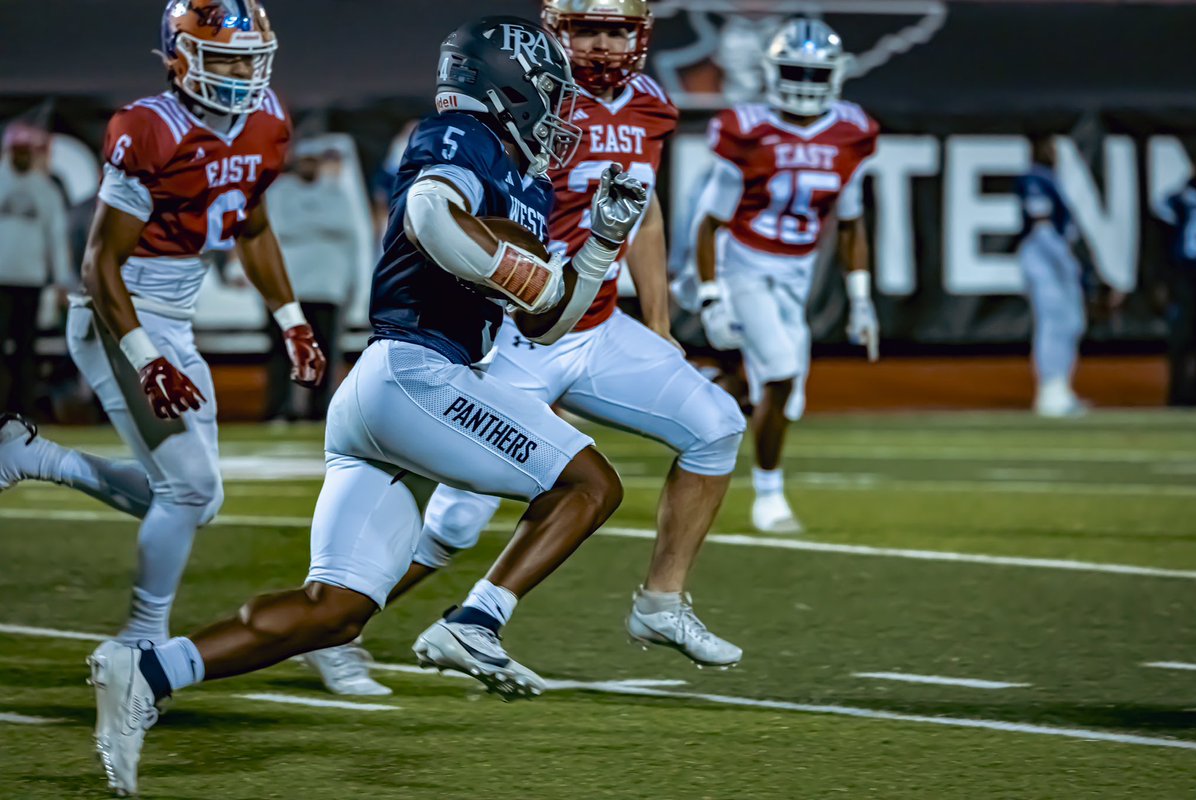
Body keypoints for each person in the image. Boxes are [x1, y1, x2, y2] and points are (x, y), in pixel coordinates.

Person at [80, 16, 646, 795]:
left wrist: (601, 246)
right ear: (510, 88)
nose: (560, 112)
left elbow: (547, 316)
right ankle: (475, 622)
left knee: (335, 611)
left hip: (391, 391)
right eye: (549, 94)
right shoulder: (458, 134)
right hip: (416, 373)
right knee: (591, 485)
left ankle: (146, 670)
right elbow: (430, 217)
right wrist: (526, 272)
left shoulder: (528, 178)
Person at [306, 0, 745, 696]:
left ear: (642, 34)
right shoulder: (516, 106)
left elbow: (646, 213)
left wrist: (658, 324)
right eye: (585, 29)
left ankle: (658, 602)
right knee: (454, 518)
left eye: (617, 29)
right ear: (552, 34)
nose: (602, 44)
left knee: (716, 426)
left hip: (597, 324)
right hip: (518, 326)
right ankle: (339, 625)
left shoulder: (653, 107)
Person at [0, 2, 327, 791]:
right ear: (178, 58)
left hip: (172, 308)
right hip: (123, 310)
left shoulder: (266, 124)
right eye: (227, 56)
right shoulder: (145, 127)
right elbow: (97, 267)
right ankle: (142, 642)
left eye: (254, 57)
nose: (246, 73)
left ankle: (29, 455)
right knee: (194, 488)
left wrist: (290, 319)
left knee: (193, 498)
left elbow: (250, 226)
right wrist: (144, 356)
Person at [694, 18, 879, 534]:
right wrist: (711, 295)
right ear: (774, 72)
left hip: (797, 274)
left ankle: (707, 384)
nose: (803, 83)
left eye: (813, 73)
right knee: (779, 373)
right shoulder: (747, 128)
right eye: (794, 70)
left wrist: (861, 298)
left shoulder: (852, 132)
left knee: (787, 398)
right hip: (745, 264)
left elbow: (850, 222)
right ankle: (769, 496)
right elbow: (708, 223)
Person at [1015, 134, 1118, 417]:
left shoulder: (1054, 179)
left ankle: (1061, 387)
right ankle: (1050, 389)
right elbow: (1041, 225)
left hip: (1055, 255)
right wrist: (1065, 260)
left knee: (1071, 323)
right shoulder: (1035, 178)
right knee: (1052, 324)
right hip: (1042, 255)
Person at [264, 140, 361, 420]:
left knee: (326, 351)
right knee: (282, 352)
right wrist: (323, 227)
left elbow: (350, 233)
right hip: (286, 287)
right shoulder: (279, 191)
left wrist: (351, 285)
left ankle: (320, 410)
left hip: (328, 287)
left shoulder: (338, 194)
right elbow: (278, 228)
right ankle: (279, 409)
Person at [0, 122, 73, 418]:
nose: (20, 156)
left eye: (25, 150)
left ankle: (21, 412)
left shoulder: (45, 190)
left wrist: (62, 281)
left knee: (25, 352)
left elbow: (57, 236)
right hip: (1, 280)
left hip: (30, 281)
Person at [1155, 152, 1196, 406]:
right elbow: (1160, 244)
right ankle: (1179, 395)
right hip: (1185, 275)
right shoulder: (1176, 200)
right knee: (1182, 338)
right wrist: (1162, 281)